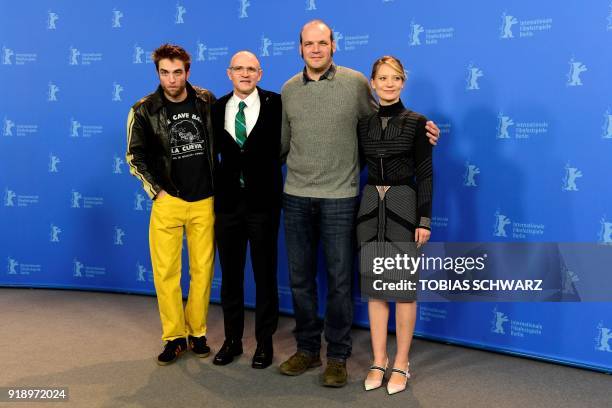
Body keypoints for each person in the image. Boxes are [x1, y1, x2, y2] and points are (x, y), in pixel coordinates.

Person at [278, 20, 440, 387]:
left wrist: (426, 131)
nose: (316, 49)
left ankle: (339, 356)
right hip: (302, 196)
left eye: (322, 42)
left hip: (344, 198)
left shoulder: (354, 84)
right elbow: (283, 145)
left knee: (341, 281)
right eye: (309, 43)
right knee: (301, 280)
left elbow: (392, 123)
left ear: (334, 45)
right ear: (299, 48)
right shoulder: (288, 90)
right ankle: (307, 350)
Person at [126, 44, 216, 365]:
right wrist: (158, 192)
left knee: (202, 272)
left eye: (177, 72)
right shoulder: (144, 109)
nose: (172, 79)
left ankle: (197, 332)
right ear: (158, 73)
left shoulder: (206, 101)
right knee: (166, 272)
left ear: (187, 72)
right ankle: (174, 336)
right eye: (165, 72)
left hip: (205, 199)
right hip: (168, 201)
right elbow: (135, 156)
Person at [358, 56, 432, 395]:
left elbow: (426, 173)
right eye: (383, 78)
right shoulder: (363, 124)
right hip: (370, 206)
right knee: (376, 290)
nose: (389, 84)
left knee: (403, 290)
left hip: (404, 205)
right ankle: (378, 359)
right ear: (372, 82)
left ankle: (401, 362)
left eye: (396, 78)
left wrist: (425, 219)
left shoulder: (418, 123)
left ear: (403, 83)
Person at [211, 51, 282, 369]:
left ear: (260, 73)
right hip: (227, 206)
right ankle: (232, 340)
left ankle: (265, 343)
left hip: (264, 204)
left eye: (251, 69)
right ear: (229, 74)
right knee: (231, 277)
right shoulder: (215, 108)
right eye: (238, 68)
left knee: (265, 275)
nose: (244, 73)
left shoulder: (277, 104)